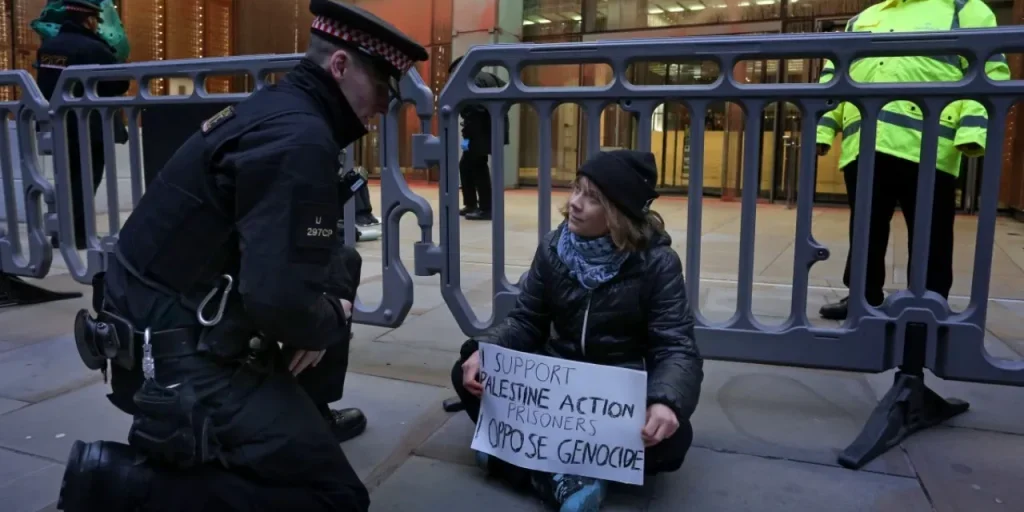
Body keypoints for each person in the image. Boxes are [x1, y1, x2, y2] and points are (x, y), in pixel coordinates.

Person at [57, 1, 427, 511]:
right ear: (339, 66)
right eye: (383, 89)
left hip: (149, 325)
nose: (385, 107)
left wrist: (318, 311)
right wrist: (327, 320)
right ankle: (120, 485)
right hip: (176, 361)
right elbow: (278, 300)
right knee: (335, 496)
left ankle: (296, 416)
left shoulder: (276, 110)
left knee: (341, 265)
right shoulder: (300, 140)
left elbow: (299, 260)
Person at [451, 150, 703, 511]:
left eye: (592, 198)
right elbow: (526, 320)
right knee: (469, 370)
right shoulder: (554, 247)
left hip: (615, 390)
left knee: (674, 440)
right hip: (556, 384)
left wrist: (666, 402)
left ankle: (519, 463)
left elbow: (676, 345)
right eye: (576, 189)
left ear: (619, 213)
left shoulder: (656, 263)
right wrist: (484, 348)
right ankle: (569, 474)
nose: (574, 203)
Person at [815, 0, 1010, 320]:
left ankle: (929, 302)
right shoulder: (864, 17)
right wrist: (823, 129)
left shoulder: (964, 9)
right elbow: (834, 78)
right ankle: (863, 297)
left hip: (928, 144)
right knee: (865, 228)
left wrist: (973, 129)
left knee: (930, 231)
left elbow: (989, 72)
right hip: (864, 142)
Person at [35, 0, 129, 250]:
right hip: (90, 127)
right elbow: (118, 84)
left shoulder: (50, 47)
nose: (97, 25)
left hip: (58, 124)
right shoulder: (95, 49)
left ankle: (62, 233)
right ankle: (79, 235)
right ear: (88, 19)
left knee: (65, 179)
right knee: (86, 182)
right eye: (96, 20)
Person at [450, 55, 509, 221]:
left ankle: (486, 208)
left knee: (477, 167)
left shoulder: (471, 79)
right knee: (468, 165)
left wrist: (468, 130)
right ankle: (472, 204)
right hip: (490, 129)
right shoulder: (488, 76)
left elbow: (474, 109)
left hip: (478, 132)